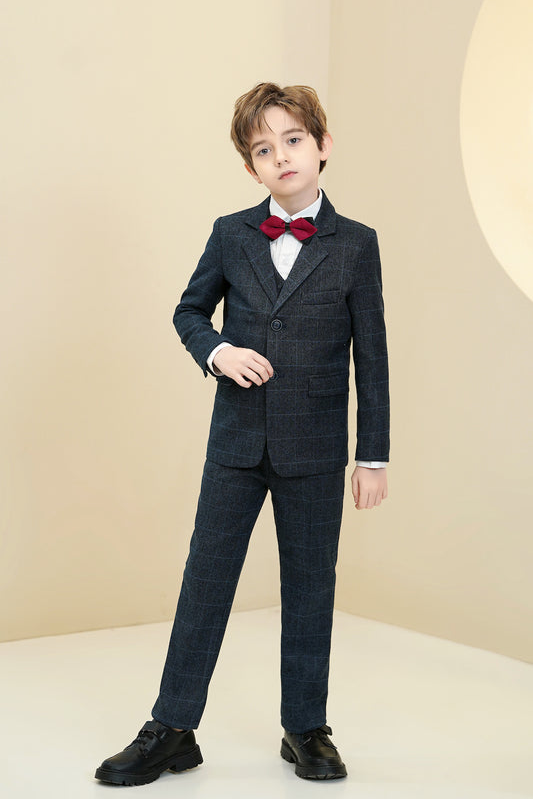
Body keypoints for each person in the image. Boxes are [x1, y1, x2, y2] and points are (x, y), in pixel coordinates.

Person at [95, 82, 389, 786]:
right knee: (205, 581)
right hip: (235, 443)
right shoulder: (231, 233)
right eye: (263, 149)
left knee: (311, 588)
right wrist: (218, 352)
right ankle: (172, 728)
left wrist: (372, 455)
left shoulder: (356, 245)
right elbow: (189, 312)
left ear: (322, 146)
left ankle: (305, 727)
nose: (280, 156)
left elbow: (372, 355)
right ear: (250, 167)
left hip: (315, 449)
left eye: (293, 140)